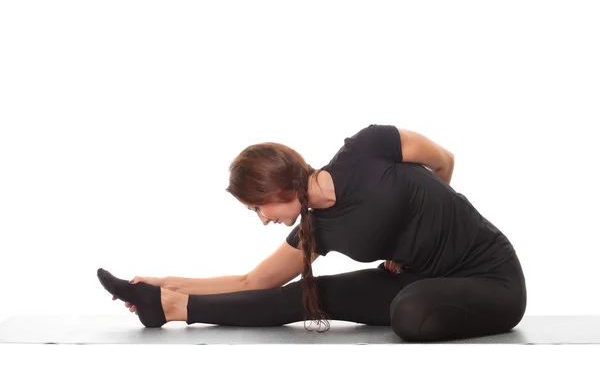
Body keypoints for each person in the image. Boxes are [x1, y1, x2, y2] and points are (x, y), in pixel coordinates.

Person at [97, 123, 527, 342]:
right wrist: (161, 282)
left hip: (489, 278)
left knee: (410, 313)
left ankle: (424, 298)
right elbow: (254, 282)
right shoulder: (315, 228)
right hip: (417, 280)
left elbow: (444, 159)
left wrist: (431, 217)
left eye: (257, 207)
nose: (262, 218)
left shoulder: (370, 146)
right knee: (302, 296)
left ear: (276, 189)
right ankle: (170, 307)